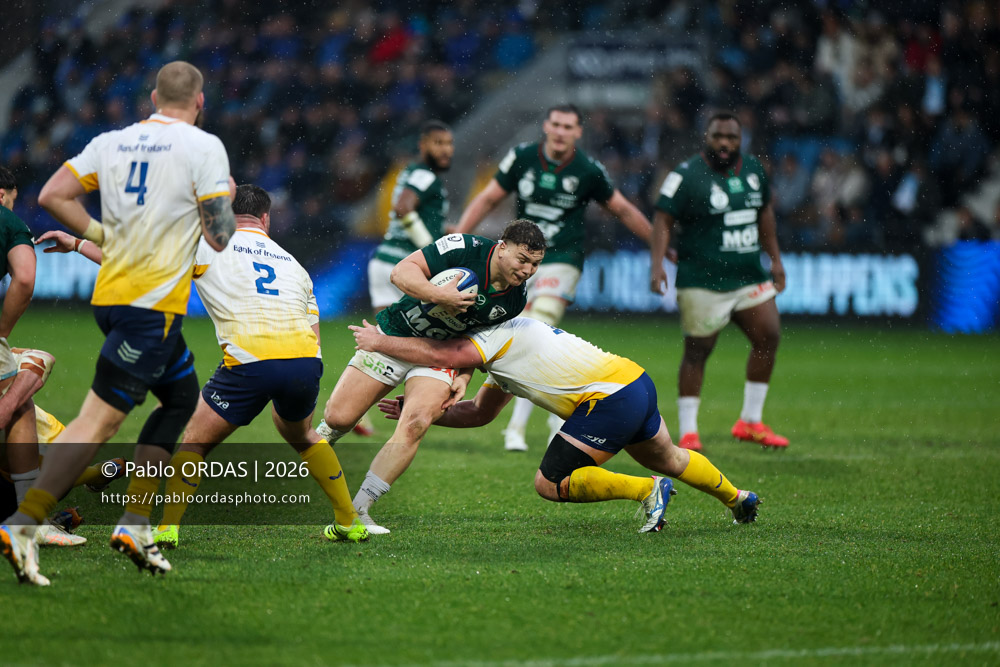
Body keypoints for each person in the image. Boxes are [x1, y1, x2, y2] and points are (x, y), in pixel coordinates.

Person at [1, 61, 236, 586]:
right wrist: (220, 192)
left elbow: (53, 195)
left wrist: (103, 235)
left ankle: (134, 524)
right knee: (95, 422)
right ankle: (23, 523)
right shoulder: (204, 147)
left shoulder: (113, 142)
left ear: (154, 97)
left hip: (115, 297)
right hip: (148, 308)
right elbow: (220, 238)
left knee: (179, 400)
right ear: (199, 103)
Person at [37, 186, 367, 550]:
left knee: (193, 442)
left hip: (250, 362)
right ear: (266, 218)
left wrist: (78, 243)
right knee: (302, 435)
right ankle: (348, 521)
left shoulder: (209, 245)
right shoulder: (294, 264)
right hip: (305, 363)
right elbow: (314, 333)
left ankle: (168, 528)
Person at [350, 317, 760, 531]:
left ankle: (647, 491)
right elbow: (480, 413)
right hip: (634, 383)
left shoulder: (494, 338)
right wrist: (428, 412)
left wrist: (381, 342)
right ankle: (738, 497)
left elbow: (453, 355)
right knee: (669, 457)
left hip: (610, 399)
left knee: (550, 482)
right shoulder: (505, 348)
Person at [317, 220, 546, 534]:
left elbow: (475, 341)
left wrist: (464, 377)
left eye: (535, 264)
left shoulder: (515, 300)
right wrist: (440, 295)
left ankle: (360, 509)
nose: (527, 271)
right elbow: (401, 272)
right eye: (522, 260)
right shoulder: (464, 247)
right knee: (339, 417)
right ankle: (318, 450)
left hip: (438, 356)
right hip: (394, 337)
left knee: (417, 422)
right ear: (502, 247)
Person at [454, 104, 653, 453]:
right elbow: (487, 198)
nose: (561, 131)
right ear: (546, 126)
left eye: (569, 126)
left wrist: (659, 246)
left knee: (537, 323)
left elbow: (621, 208)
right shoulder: (522, 157)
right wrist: (458, 235)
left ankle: (515, 428)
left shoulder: (588, 170)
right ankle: (553, 417)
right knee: (518, 333)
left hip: (562, 259)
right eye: (556, 124)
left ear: (578, 132)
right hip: (520, 260)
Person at [650, 111, 788, 453]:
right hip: (702, 278)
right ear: (706, 138)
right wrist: (657, 265)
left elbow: (764, 213)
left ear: (741, 140)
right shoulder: (685, 176)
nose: (725, 144)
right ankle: (689, 433)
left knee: (768, 335)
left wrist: (775, 259)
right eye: (718, 137)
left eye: (732, 138)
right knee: (698, 351)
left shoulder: (755, 170)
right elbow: (662, 219)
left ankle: (750, 421)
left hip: (747, 274)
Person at [356, 120, 455, 439]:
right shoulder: (426, 175)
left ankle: (352, 404)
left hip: (384, 259)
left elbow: (408, 212)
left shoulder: (412, 173)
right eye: (438, 142)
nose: (445, 149)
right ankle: (414, 409)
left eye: (449, 143)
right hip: (403, 267)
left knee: (383, 341)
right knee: (413, 342)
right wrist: (434, 247)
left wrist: (441, 232)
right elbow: (403, 209)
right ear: (423, 143)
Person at [0, 166, 43, 527]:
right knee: (16, 404)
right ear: (2, 195)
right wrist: (2, 330)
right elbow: (25, 278)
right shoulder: (8, 221)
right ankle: (28, 520)